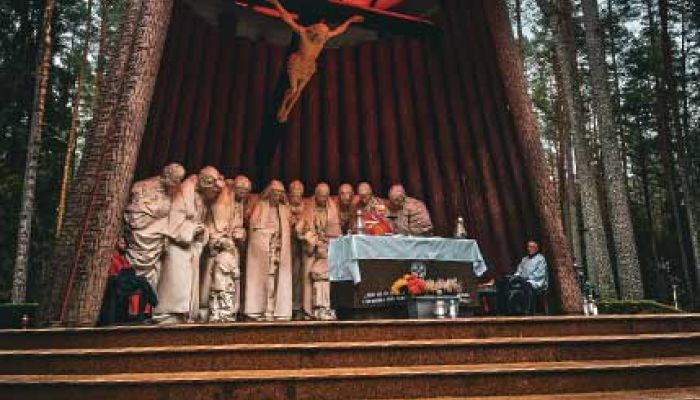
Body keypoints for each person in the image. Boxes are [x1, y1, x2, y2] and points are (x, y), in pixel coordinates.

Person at [268, 0, 364, 122]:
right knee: (293, 89)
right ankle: (282, 106)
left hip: (308, 66)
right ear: (314, 32)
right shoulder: (304, 33)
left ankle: (286, 111)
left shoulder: (324, 38)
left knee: (298, 92)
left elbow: (339, 31)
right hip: (297, 63)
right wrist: (277, 4)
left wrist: (350, 21)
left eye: (324, 35)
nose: (323, 37)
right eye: (321, 35)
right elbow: (288, 19)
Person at [123, 163, 185, 290]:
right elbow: (135, 216)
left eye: (179, 180)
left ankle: (145, 303)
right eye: (175, 179)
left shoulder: (173, 191)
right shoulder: (142, 186)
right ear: (167, 175)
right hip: (140, 235)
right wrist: (157, 209)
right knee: (131, 271)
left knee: (152, 275)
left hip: (155, 240)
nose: (177, 183)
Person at [244, 180, 294, 321]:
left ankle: (276, 309)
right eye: (274, 193)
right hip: (262, 251)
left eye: (279, 194)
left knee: (276, 280)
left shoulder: (284, 209)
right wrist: (267, 234)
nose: (276, 196)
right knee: (263, 279)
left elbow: (290, 225)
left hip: (279, 249)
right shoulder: (260, 206)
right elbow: (254, 228)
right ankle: (258, 309)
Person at [296, 183, 342, 320]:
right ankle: (308, 310)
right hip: (310, 247)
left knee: (326, 278)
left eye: (326, 196)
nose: (324, 198)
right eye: (321, 196)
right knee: (308, 279)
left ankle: (324, 308)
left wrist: (327, 242)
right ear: (316, 194)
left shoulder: (332, 207)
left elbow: (336, 230)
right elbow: (299, 228)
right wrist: (313, 239)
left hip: (327, 248)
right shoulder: (307, 207)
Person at [496, 240, 548, 315]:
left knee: (527, 285)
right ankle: (505, 311)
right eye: (528, 247)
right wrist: (514, 277)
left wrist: (524, 278)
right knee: (504, 283)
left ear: (536, 248)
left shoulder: (541, 259)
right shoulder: (525, 259)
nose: (529, 248)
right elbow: (519, 271)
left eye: (532, 247)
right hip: (522, 280)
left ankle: (527, 311)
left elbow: (539, 274)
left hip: (535, 281)